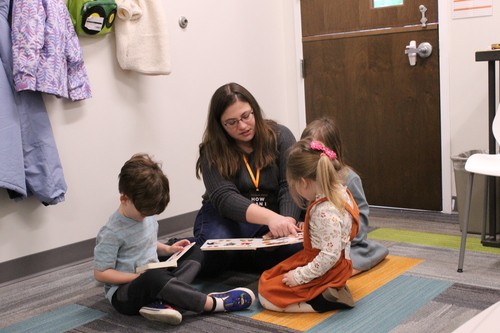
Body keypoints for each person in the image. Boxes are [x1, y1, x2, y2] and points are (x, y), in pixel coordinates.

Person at [93, 153, 255, 326]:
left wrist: (168, 250)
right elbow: (101, 273)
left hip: (153, 274)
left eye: (151, 214)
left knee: (196, 249)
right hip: (125, 294)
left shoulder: (145, 214)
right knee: (153, 278)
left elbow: (145, 243)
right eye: (143, 213)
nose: (146, 217)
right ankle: (211, 303)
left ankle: (165, 300)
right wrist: (134, 277)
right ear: (124, 198)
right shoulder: (111, 232)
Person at [192, 82, 302, 276]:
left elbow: (289, 185)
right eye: (231, 122)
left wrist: (286, 223)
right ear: (220, 125)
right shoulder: (211, 150)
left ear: (254, 110)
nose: (242, 126)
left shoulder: (281, 136)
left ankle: (245, 257)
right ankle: (186, 249)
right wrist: (272, 219)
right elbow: (224, 198)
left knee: (295, 250)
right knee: (214, 255)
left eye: (246, 116)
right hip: (226, 217)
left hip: (273, 216)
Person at [258, 138, 359, 313]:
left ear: (304, 182)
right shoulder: (342, 192)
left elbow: (329, 256)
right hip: (339, 265)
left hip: (327, 269)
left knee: (267, 295)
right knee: (270, 277)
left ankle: (319, 301)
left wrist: (299, 276)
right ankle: (329, 291)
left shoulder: (324, 211)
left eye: (295, 185)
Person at [300, 117, 388, 275]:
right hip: (319, 242)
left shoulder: (349, 178)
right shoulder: (308, 181)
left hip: (348, 243)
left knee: (345, 262)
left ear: (332, 151)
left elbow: (361, 215)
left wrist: (344, 236)